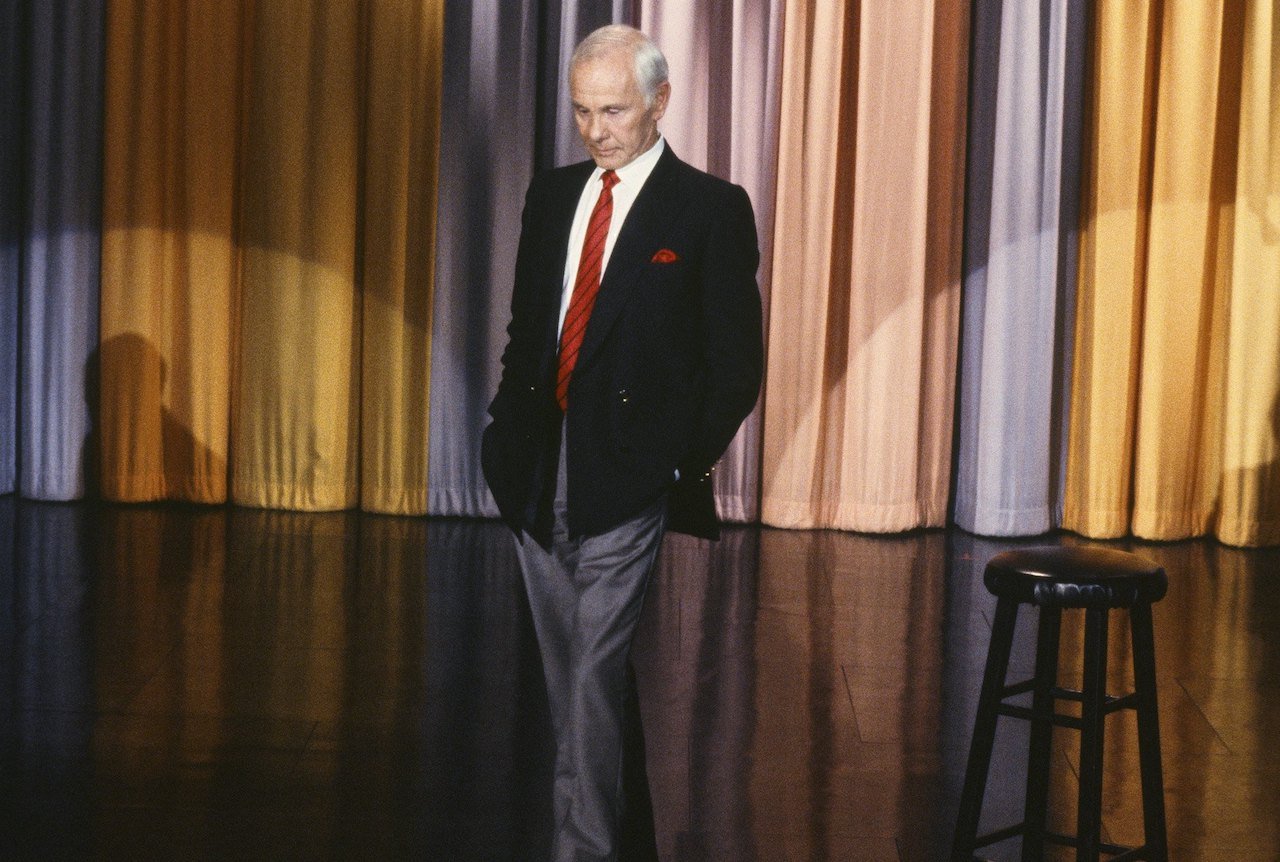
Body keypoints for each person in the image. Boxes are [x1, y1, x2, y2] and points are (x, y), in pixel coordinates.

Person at [481, 24, 762, 862]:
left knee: (593, 679)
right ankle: (619, 839)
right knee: (573, 683)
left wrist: (675, 465)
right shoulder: (552, 194)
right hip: (536, 470)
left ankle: (584, 850)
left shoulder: (709, 209)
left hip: (627, 481)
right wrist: (503, 434)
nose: (596, 130)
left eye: (613, 110)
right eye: (581, 111)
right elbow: (528, 328)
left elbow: (735, 364)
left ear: (661, 102)